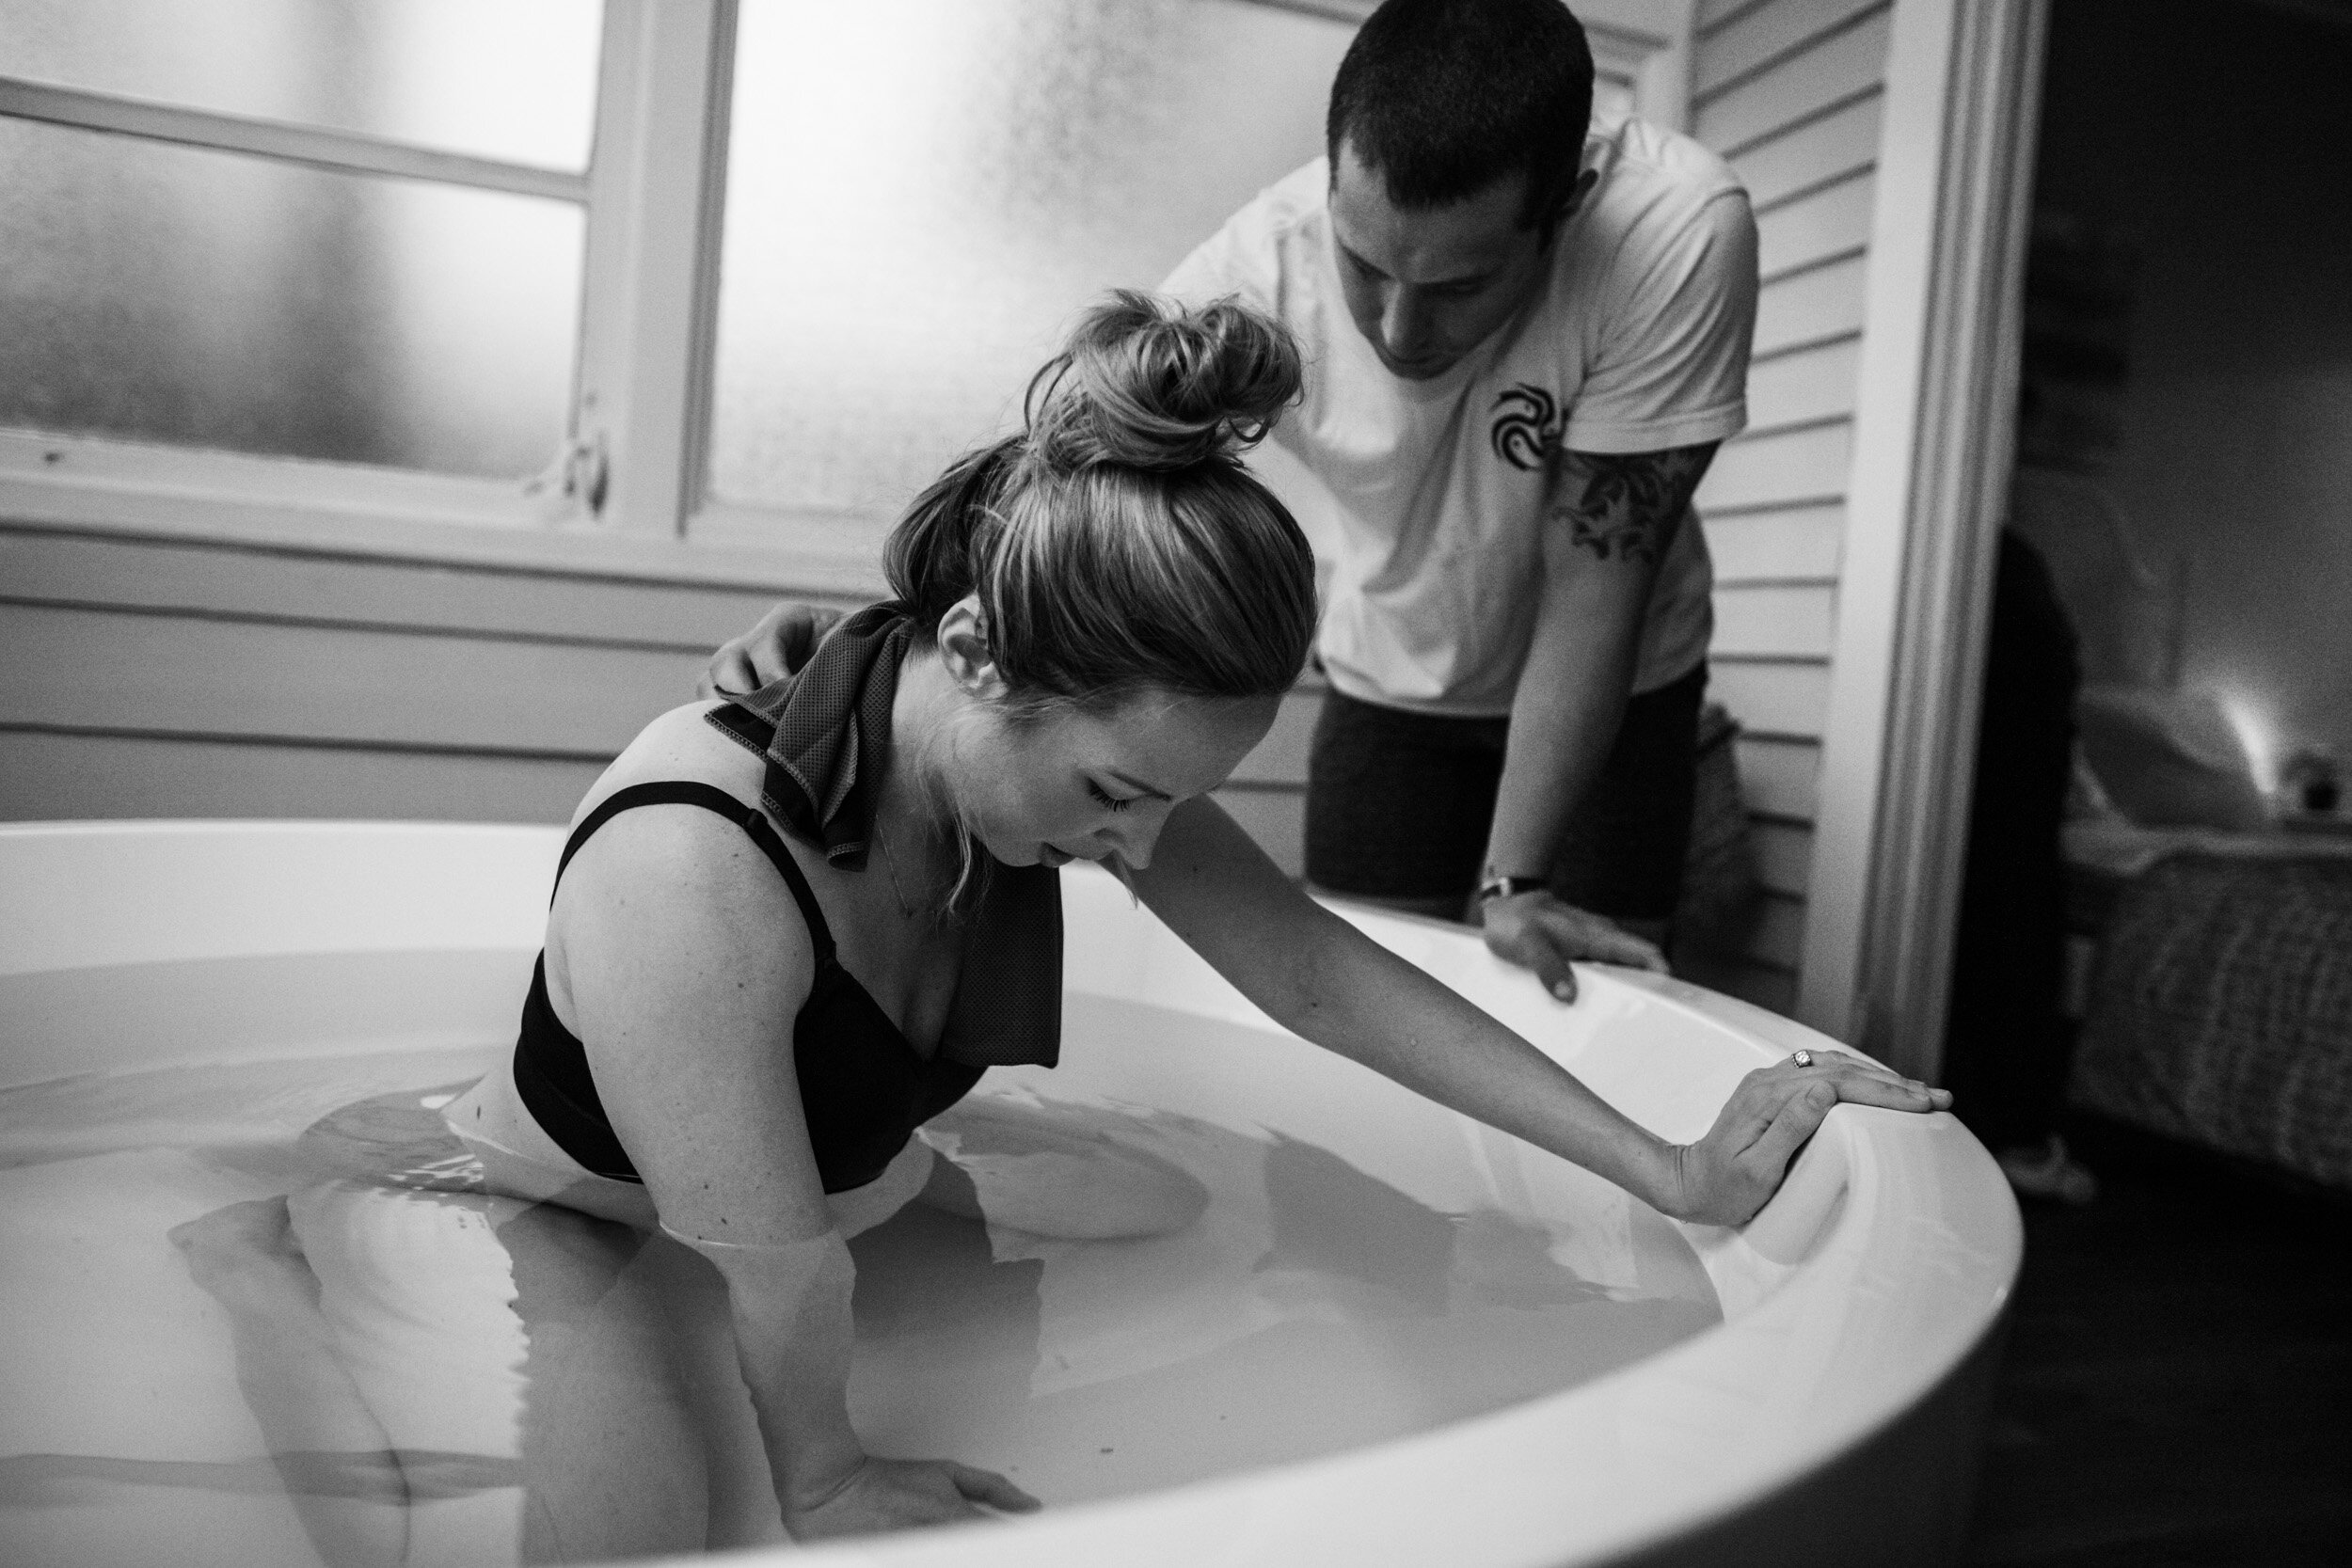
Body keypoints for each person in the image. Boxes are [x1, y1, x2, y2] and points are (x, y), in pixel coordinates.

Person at [448, 291, 1946, 1541]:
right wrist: (827, 1475)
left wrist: (1669, 1163)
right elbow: (772, 1265)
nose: (1138, 848)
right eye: (1117, 794)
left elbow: (1310, 973)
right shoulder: (687, 878)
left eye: (1171, 802)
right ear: (976, 651)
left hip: (834, 1214)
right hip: (590, 1229)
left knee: (1164, 1213)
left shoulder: (1037, 755)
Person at [707, 0, 1758, 1006]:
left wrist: (1514, 880)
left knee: (1591, 998)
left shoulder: (1673, 232)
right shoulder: (1256, 266)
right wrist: (875, 644)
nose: (1395, 331)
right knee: (1381, 996)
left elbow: (1594, 584)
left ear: (1563, 208)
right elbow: (1053, 507)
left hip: (1617, 686)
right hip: (1389, 668)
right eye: (1363, 265)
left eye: (1458, 288)